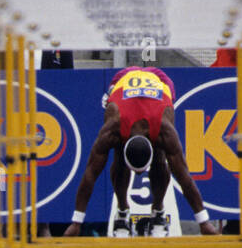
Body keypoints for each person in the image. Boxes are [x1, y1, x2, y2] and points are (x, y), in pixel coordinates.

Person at [63, 66, 220, 237]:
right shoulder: (113, 127)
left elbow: (184, 177)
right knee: (119, 155)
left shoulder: (164, 128)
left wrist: (204, 222)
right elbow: (90, 174)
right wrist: (76, 222)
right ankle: (122, 211)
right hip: (122, 79)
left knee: (161, 156)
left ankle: (158, 211)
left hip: (160, 80)